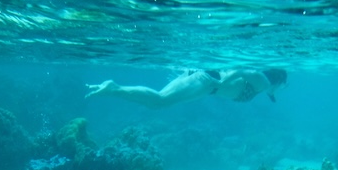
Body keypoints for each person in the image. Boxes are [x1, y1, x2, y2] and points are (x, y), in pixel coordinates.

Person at [84, 68, 287, 108]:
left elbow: (270, 94)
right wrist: (223, 83)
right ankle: (113, 88)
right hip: (208, 80)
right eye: (283, 86)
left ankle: (114, 89)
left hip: (206, 81)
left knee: (159, 102)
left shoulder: (266, 88)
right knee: (160, 100)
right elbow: (244, 70)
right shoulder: (265, 82)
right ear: (278, 81)